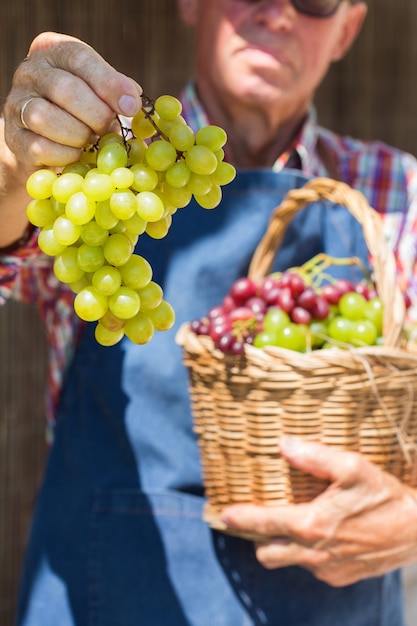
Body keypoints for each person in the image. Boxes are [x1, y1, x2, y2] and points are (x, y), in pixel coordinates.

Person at [2, 1, 417, 624]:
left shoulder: (398, 192)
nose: (278, 12)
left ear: (347, 30)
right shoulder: (93, 168)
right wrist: (13, 169)